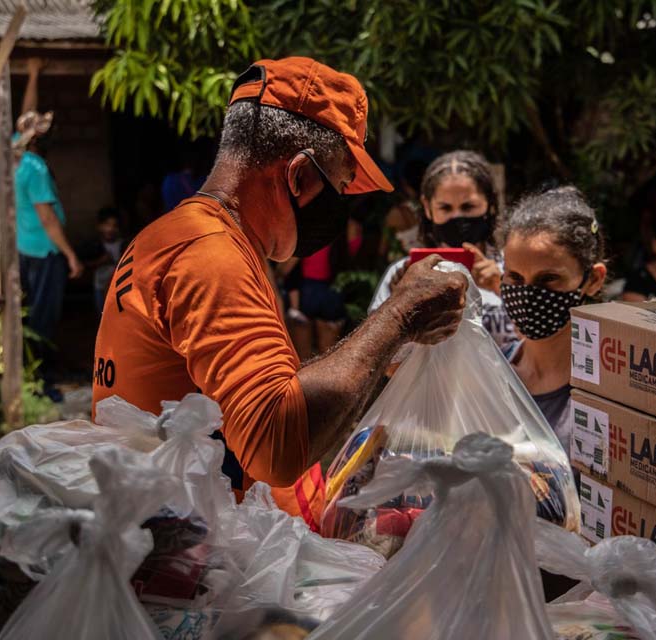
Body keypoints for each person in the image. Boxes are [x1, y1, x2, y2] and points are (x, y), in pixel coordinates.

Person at [91, 58, 467, 500]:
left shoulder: (185, 236)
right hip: (203, 556)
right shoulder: (209, 254)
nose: (341, 205)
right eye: (342, 187)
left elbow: (260, 389)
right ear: (300, 177)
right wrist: (399, 316)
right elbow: (276, 446)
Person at [369, 150, 514, 352]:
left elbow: (539, 349)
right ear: (428, 208)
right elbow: (383, 361)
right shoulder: (405, 274)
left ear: (489, 204)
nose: (457, 217)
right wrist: (399, 307)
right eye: (445, 208)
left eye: (468, 206)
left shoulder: (513, 270)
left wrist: (504, 288)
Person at [500, 186, 607, 452]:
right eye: (514, 277)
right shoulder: (490, 374)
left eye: (548, 279)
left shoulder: (610, 394)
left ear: (593, 280)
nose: (527, 295)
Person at [13, 58, 84, 399]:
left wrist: (33, 74)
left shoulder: (16, 156)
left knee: (34, 315)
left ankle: (35, 374)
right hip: (45, 251)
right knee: (44, 318)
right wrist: (70, 254)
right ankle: (40, 382)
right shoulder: (36, 168)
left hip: (26, 249)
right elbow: (48, 218)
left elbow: (26, 112)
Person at [81, 207, 127, 314]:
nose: (110, 229)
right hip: (99, 286)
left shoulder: (123, 245)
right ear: (99, 226)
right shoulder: (94, 245)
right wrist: (100, 261)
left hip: (117, 289)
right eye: (106, 225)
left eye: (114, 226)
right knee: (102, 314)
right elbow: (84, 265)